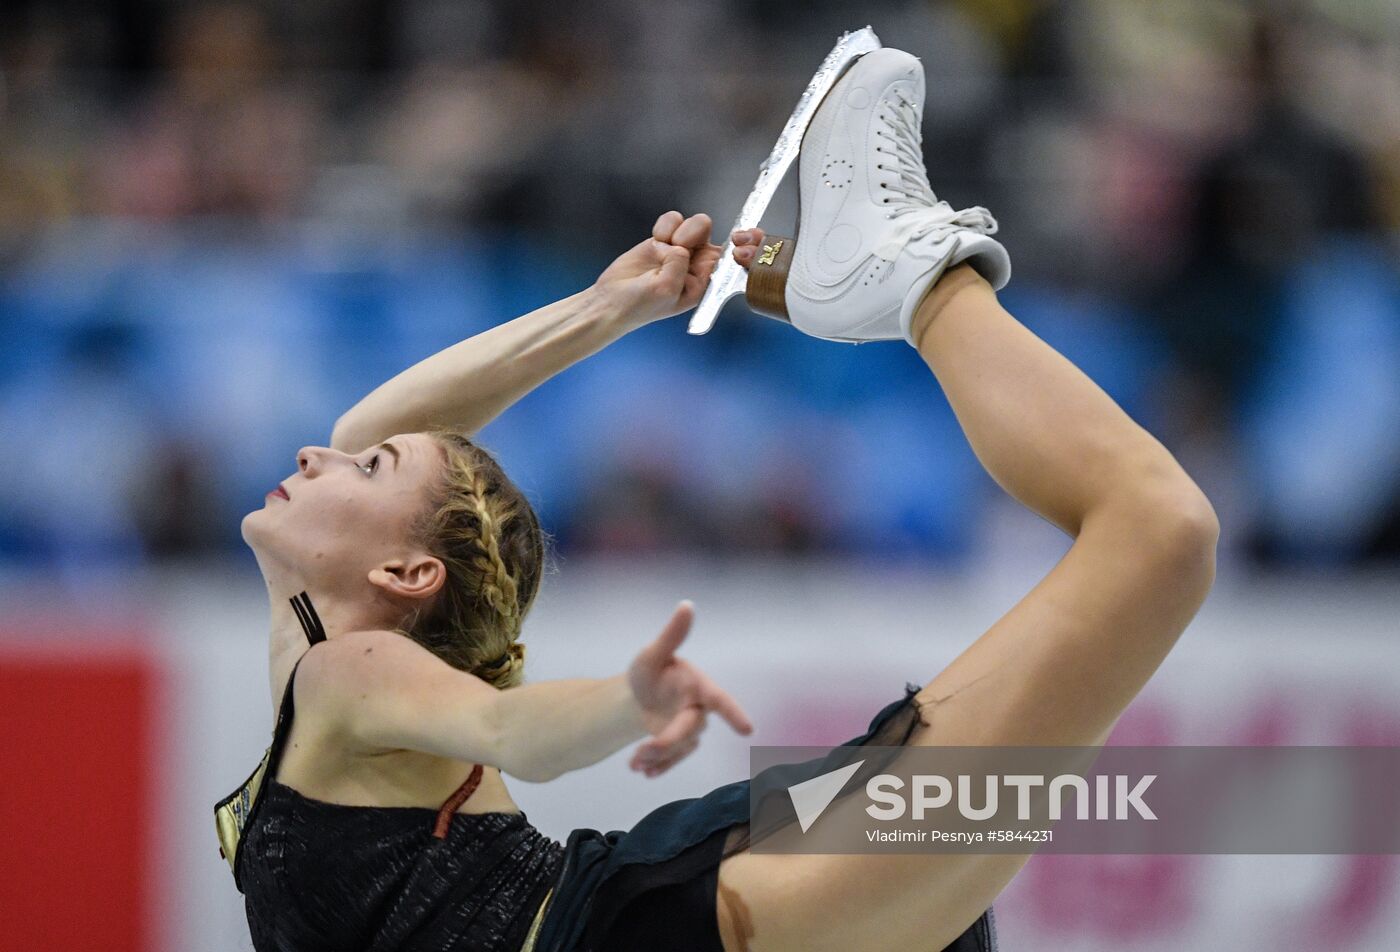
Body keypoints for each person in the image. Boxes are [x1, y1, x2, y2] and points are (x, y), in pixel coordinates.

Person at [219, 48, 1216, 951]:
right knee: (1150, 532)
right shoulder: (319, 649)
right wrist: (607, 308)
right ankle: (890, 282)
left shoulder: (340, 666)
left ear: (403, 572)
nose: (322, 453)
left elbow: (509, 729)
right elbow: (367, 435)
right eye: (365, 472)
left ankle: (912, 273)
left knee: (1155, 532)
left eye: (362, 474)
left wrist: (626, 701)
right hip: (678, 914)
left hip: (683, 925)